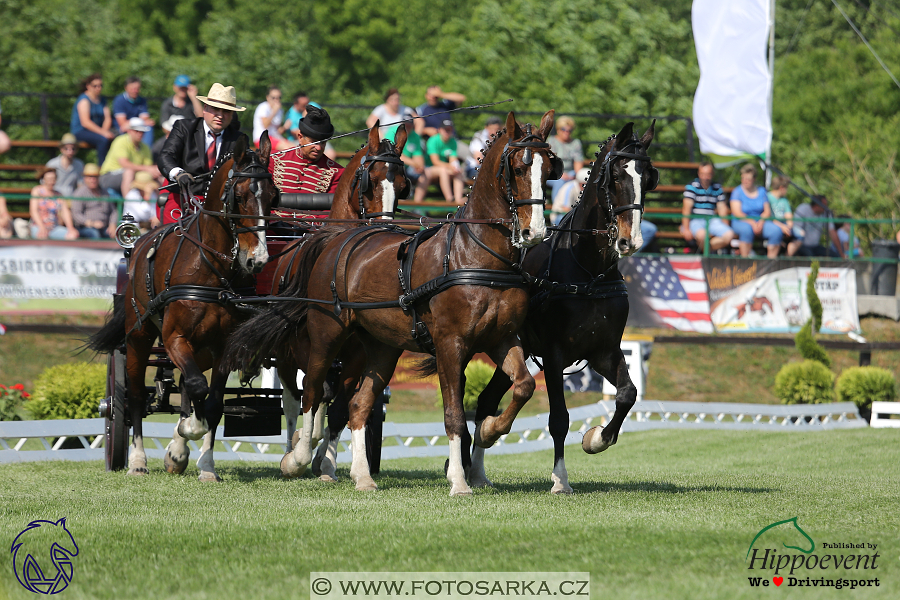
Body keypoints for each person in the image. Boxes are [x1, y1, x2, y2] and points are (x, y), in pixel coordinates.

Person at [158, 82, 248, 224]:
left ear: (232, 115)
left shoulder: (239, 140)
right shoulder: (183, 128)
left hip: (219, 205)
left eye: (226, 111)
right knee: (176, 238)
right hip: (180, 198)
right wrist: (178, 173)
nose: (220, 115)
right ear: (205, 108)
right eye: (215, 109)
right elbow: (166, 156)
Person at [267, 106, 344, 194]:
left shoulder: (336, 172)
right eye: (313, 142)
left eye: (323, 143)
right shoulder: (273, 160)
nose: (318, 148)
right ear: (300, 137)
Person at [729, 163, 782, 258]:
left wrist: (760, 222)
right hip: (741, 221)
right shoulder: (737, 192)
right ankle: (745, 261)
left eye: (748, 179)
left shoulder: (762, 191)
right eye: (743, 178)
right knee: (746, 230)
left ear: (754, 179)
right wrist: (752, 223)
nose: (745, 181)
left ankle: (770, 262)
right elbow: (737, 213)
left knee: (776, 231)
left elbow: (767, 211)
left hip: (760, 222)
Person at [681, 161, 735, 253]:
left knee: (729, 235)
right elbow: (686, 209)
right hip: (696, 220)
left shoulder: (717, 188)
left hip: (712, 220)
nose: (705, 177)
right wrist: (686, 229)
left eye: (708, 174)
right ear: (699, 173)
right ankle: (709, 254)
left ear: (712, 174)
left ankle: (707, 250)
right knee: (703, 236)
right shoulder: (692, 187)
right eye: (703, 174)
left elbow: (722, 209)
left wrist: (725, 226)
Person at [99, 117, 159, 197]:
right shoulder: (120, 141)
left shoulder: (145, 147)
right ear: (129, 131)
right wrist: (148, 169)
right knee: (129, 172)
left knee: (158, 175)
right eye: (137, 131)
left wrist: (154, 171)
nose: (140, 134)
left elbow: (148, 167)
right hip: (108, 176)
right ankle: (128, 205)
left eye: (142, 131)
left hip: (130, 175)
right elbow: (124, 164)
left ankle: (160, 206)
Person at [70, 73, 115, 164]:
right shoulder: (84, 100)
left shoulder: (102, 100)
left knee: (117, 138)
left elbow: (107, 118)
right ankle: (102, 167)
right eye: (95, 86)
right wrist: (103, 133)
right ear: (88, 86)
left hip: (96, 131)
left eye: (100, 85)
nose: (98, 88)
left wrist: (105, 131)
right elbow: (85, 122)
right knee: (103, 140)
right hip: (81, 131)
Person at [418, 119, 465, 204]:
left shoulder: (453, 142)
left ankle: (458, 199)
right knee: (443, 171)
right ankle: (449, 199)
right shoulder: (433, 140)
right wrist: (450, 166)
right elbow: (435, 161)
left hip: (443, 167)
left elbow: (453, 159)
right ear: (439, 130)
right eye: (445, 130)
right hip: (429, 168)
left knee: (458, 172)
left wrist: (455, 167)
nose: (447, 132)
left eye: (449, 130)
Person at [386, 109, 426, 198]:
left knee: (424, 174)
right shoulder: (392, 132)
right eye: (405, 125)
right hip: (392, 166)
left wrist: (420, 166)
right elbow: (394, 153)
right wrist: (414, 164)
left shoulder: (415, 136)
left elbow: (418, 154)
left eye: (409, 125)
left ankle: (417, 205)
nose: (406, 128)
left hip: (408, 168)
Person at [28, 169, 78, 240]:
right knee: (42, 236)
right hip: (38, 226)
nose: (51, 182)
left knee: (72, 235)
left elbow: (65, 212)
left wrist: (71, 228)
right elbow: (33, 211)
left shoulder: (59, 195)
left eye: (53, 179)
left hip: (54, 228)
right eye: (49, 179)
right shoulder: (37, 191)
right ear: (44, 179)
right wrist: (42, 227)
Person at [71, 163, 116, 239]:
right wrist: (91, 223)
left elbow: (113, 211)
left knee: (118, 235)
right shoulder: (79, 193)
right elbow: (76, 214)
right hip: (85, 227)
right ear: (85, 178)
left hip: (104, 227)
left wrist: (112, 224)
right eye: (90, 177)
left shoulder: (105, 192)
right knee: (94, 234)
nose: (93, 180)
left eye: (95, 177)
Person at [547, 116, 585, 201]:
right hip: (553, 173)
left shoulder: (575, 143)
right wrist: (561, 175)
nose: (566, 132)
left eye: (569, 130)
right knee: (559, 182)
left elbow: (578, 162)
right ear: (558, 130)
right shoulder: (551, 141)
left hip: (570, 173)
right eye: (563, 129)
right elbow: (549, 163)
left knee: (582, 180)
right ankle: (558, 211)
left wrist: (576, 175)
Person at [112, 76, 155, 146]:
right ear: (126, 88)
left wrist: (140, 122)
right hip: (121, 129)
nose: (135, 91)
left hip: (137, 126)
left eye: (137, 89)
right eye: (132, 89)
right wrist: (142, 121)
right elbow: (122, 124)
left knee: (149, 128)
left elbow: (146, 119)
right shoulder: (119, 100)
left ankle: (146, 152)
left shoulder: (142, 100)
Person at [766, 174, 802, 256]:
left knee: (800, 234)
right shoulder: (767, 197)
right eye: (786, 188)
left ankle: (787, 257)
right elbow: (769, 217)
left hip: (784, 224)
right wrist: (782, 227)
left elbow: (788, 215)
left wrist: (789, 226)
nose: (787, 190)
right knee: (777, 232)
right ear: (781, 188)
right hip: (772, 224)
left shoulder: (784, 200)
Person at [253, 85, 293, 151]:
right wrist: (274, 111)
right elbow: (265, 125)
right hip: (262, 138)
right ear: (267, 97)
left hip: (275, 138)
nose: (276, 100)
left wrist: (284, 127)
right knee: (287, 148)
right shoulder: (263, 107)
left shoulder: (280, 110)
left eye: (279, 97)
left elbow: (277, 131)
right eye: (273, 98)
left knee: (294, 147)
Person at [45, 133, 85, 198]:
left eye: (73, 148)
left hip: (72, 200)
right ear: (61, 149)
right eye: (66, 148)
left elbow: (81, 185)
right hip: (53, 198)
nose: (70, 151)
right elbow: (45, 184)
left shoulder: (79, 164)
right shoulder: (52, 164)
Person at [466, 116, 501, 180]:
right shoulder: (478, 137)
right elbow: (479, 159)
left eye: (496, 129)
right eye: (491, 129)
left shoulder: (500, 138)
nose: (494, 132)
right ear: (486, 128)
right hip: (475, 168)